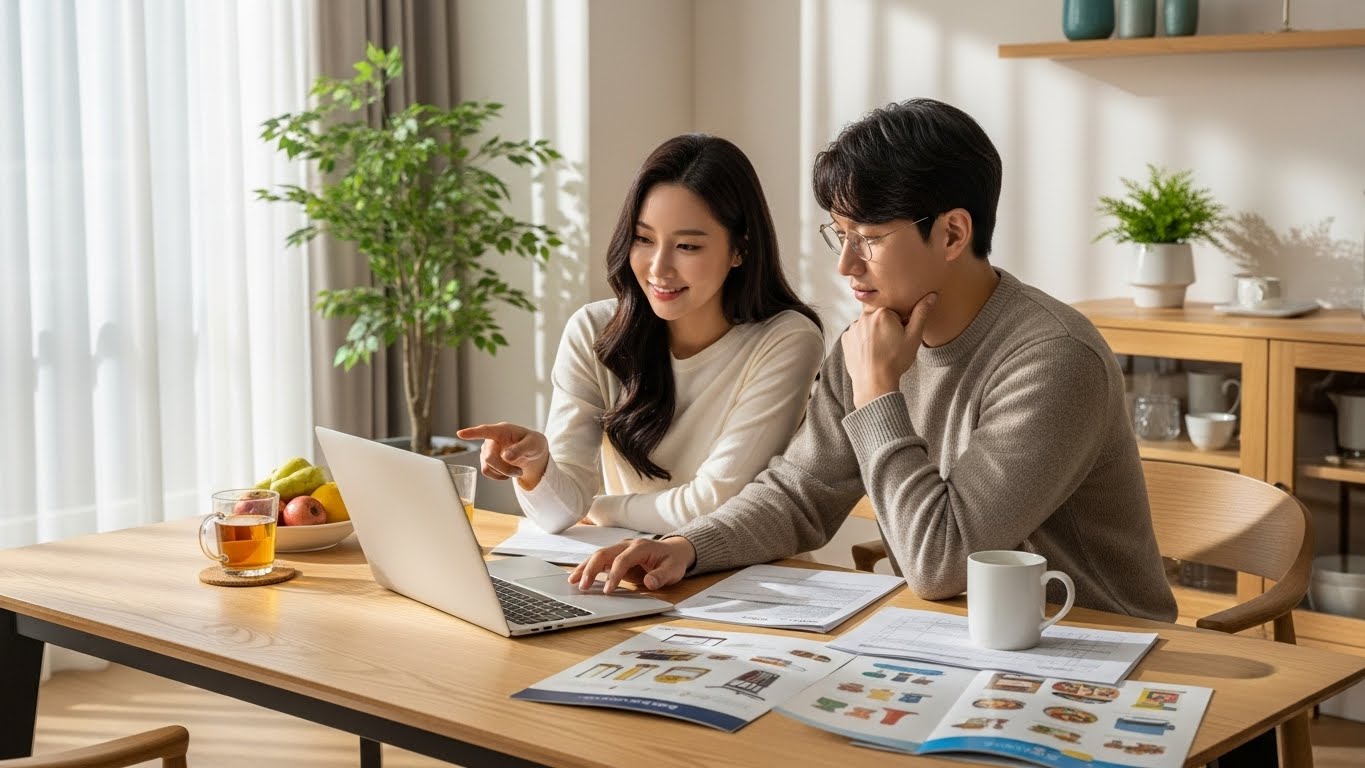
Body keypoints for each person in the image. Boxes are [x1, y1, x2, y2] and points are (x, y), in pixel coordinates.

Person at [570, 99, 1177, 622]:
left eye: (871, 238)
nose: (846, 265)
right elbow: (801, 493)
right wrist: (688, 547)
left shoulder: (1051, 360)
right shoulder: (870, 339)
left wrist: (879, 393)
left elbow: (942, 563)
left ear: (952, 233)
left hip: (1094, 648)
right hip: (948, 639)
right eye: (840, 234)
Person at [458, 134, 824, 535]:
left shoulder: (787, 340)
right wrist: (537, 467)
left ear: (740, 249)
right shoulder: (594, 331)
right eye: (643, 239)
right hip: (627, 573)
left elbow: (718, 504)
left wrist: (600, 510)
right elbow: (557, 514)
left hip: (744, 578)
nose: (658, 268)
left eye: (687, 246)